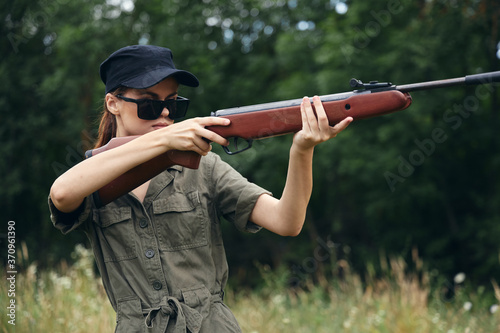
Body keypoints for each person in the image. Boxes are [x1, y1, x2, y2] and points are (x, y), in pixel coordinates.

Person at [49, 45, 352, 333]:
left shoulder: (203, 166)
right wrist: (166, 140)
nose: (165, 114)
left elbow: (287, 222)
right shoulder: (95, 177)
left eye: (173, 104)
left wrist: (301, 150)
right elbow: (61, 194)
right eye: (150, 104)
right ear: (113, 103)